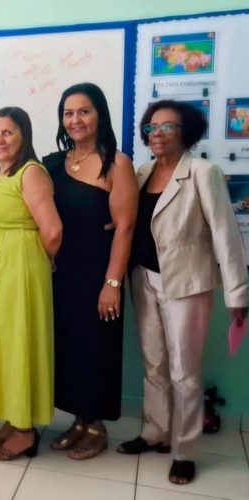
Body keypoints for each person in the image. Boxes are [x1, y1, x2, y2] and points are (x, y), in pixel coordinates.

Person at [117, 100, 248, 485]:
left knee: (184, 371)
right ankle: (155, 431)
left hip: (186, 285)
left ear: (186, 131)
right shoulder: (142, 173)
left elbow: (226, 233)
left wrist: (238, 294)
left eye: (167, 127)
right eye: (151, 128)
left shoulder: (203, 172)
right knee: (153, 363)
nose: (157, 134)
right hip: (143, 279)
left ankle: (184, 449)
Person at [0, 107, 62, 461]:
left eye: (8, 132)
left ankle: (25, 431)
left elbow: (52, 230)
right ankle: (11, 417)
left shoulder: (31, 173)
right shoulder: (1, 174)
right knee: (0, 342)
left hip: (18, 269)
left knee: (18, 342)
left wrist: (40, 260)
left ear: (24, 137)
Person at [42, 83, 138, 459]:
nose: (75, 120)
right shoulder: (53, 163)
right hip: (60, 273)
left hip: (98, 273)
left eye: (84, 111)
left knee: (97, 347)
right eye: (68, 113)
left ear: (99, 115)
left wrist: (112, 283)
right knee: (68, 348)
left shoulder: (117, 163)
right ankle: (79, 421)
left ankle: (96, 425)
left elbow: (125, 227)